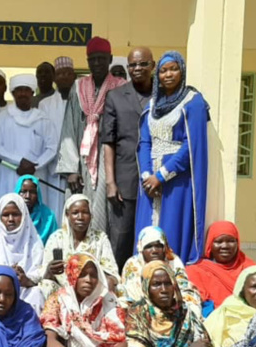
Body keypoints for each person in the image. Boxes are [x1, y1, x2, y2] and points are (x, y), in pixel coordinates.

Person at [135, 51, 209, 265]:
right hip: (149, 183)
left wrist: (161, 175)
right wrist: (148, 175)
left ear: (182, 71)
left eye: (174, 69)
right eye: (163, 70)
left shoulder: (193, 102)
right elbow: (145, 142)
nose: (168, 75)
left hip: (176, 180)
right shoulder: (153, 104)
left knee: (171, 228)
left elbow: (191, 146)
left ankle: (172, 278)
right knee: (147, 230)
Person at [56, 37, 127, 233]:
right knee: (79, 206)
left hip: (110, 160)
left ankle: (103, 255)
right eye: (92, 59)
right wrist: (71, 168)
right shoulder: (78, 88)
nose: (97, 63)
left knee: (107, 208)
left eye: (101, 58)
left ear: (110, 58)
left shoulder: (121, 87)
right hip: (82, 161)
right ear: (87, 61)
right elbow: (68, 128)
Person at [103, 47, 155, 270]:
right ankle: (119, 286)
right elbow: (108, 141)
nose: (137, 69)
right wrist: (111, 182)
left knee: (154, 237)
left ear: (152, 66)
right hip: (126, 181)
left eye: (143, 64)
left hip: (159, 179)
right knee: (122, 238)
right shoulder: (115, 97)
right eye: (133, 65)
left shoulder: (165, 95)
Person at [0, 73, 58, 202]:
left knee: (35, 214)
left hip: (36, 174)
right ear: (13, 93)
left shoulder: (42, 118)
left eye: (26, 90)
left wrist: (35, 166)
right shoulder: (3, 117)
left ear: (32, 92)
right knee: (9, 211)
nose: (22, 94)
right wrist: (19, 161)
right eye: (19, 90)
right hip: (10, 172)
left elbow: (52, 147)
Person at [40, 194, 119, 300]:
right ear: (67, 215)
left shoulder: (100, 238)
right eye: (75, 213)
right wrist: (50, 270)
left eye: (85, 212)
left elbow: (111, 272)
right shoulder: (56, 238)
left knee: (117, 288)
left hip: (91, 289)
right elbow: (45, 274)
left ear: (91, 215)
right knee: (45, 285)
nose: (80, 217)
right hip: (64, 291)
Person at [121, 226, 199, 318]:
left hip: (171, 304)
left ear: (165, 247)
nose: (154, 251)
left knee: (192, 293)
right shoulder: (133, 264)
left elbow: (183, 286)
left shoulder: (173, 260)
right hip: (142, 307)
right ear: (141, 249)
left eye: (158, 246)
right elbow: (131, 293)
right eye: (149, 246)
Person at [186, 221, 256, 316]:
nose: (225, 246)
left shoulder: (250, 267)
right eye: (218, 241)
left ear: (237, 243)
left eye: (231, 241)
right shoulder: (196, 270)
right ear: (210, 244)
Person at [37, 56, 76, 219]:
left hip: (76, 170)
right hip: (51, 167)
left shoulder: (82, 101)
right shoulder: (45, 104)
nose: (64, 77)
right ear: (55, 78)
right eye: (60, 74)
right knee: (52, 208)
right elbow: (43, 136)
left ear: (74, 76)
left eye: (68, 73)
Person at [0, 175, 58, 245]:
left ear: (38, 195)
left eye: (32, 192)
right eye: (23, 192)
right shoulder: (5, 213)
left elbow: (55, 244)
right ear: (17, 192)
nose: (27, 196)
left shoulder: (48, 216)